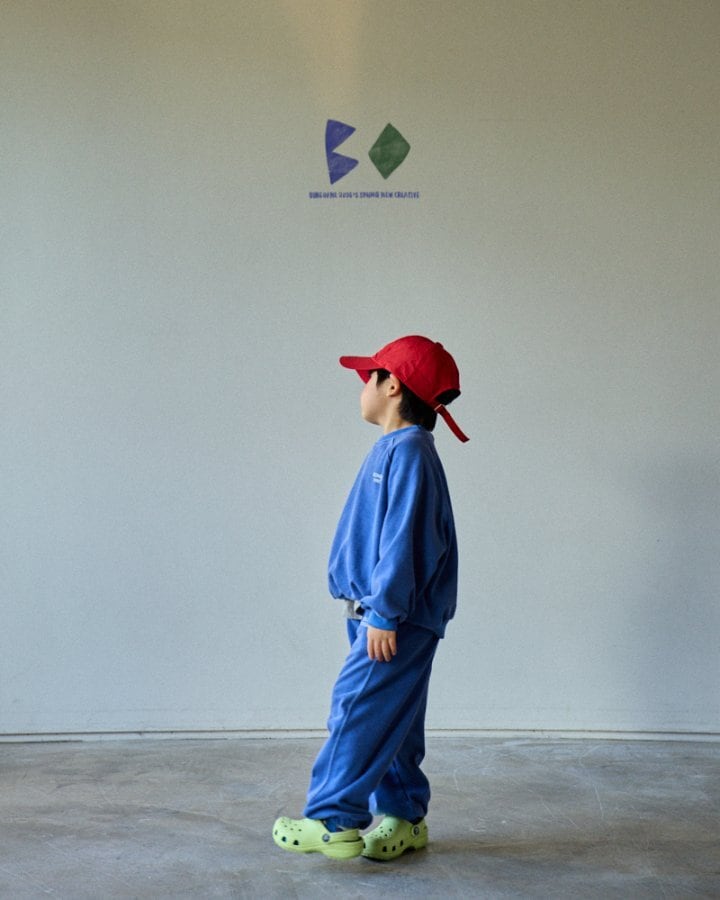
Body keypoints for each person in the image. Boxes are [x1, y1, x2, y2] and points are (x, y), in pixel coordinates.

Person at [272, 334, 468, 861]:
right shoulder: (398, 449)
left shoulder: (409, 452)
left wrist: (384, 612)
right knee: (392, 714)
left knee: (357, 707)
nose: (362, 387)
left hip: (393, 615)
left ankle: (331, 821)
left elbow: (406, 539)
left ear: (392, 385)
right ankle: (405, 816)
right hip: (382, 611)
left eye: (369, 377)